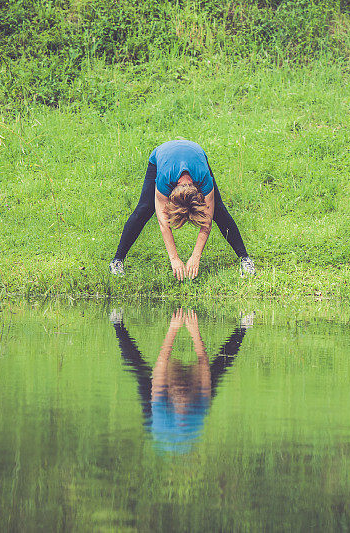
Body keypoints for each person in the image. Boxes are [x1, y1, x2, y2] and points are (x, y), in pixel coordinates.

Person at [112, 308, 252, 453]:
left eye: (181, 390)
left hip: (159, 416)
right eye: (182, 389)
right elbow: (170, 363)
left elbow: (164, 361)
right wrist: (193, 332)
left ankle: (116, 322)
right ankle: (244, 326)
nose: (181, 386)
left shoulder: (160, 407)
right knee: (216, 372)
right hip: (168, 411)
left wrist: (175, 329)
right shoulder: (201, 404)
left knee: (140, 374)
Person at [109, 140, 255, 279]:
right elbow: (163, 222)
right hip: (162, 154)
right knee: (144, 209)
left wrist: (196, 257)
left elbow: (207, 221)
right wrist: (174, 259)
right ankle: (117, 261)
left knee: (218, 210)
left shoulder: (203, 178)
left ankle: (245, 259)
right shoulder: (165, 180)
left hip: (196, 154)